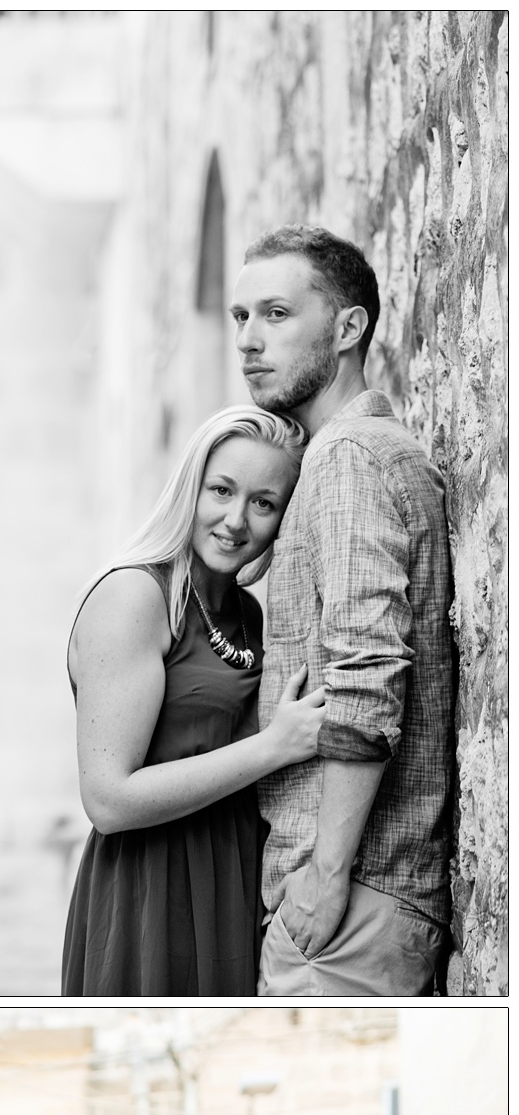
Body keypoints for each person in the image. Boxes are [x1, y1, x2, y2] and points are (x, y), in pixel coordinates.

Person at [232, 225, 456, 996]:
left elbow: (368, 673)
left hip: (348, 907)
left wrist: (325, 876)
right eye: (239, 319)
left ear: (350, 326)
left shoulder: (351, 458)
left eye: (276, 314)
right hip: (354, 905)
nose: (250, 341)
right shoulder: (332, 459)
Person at [62, 406, 326, 996]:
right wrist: (274, 748)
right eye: (221, 491)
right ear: (191, 488)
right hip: (150, 889)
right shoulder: (135, 596)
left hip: (232, 879)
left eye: (263, 503)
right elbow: (108, 799)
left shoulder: (248, 614)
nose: (235, 521)